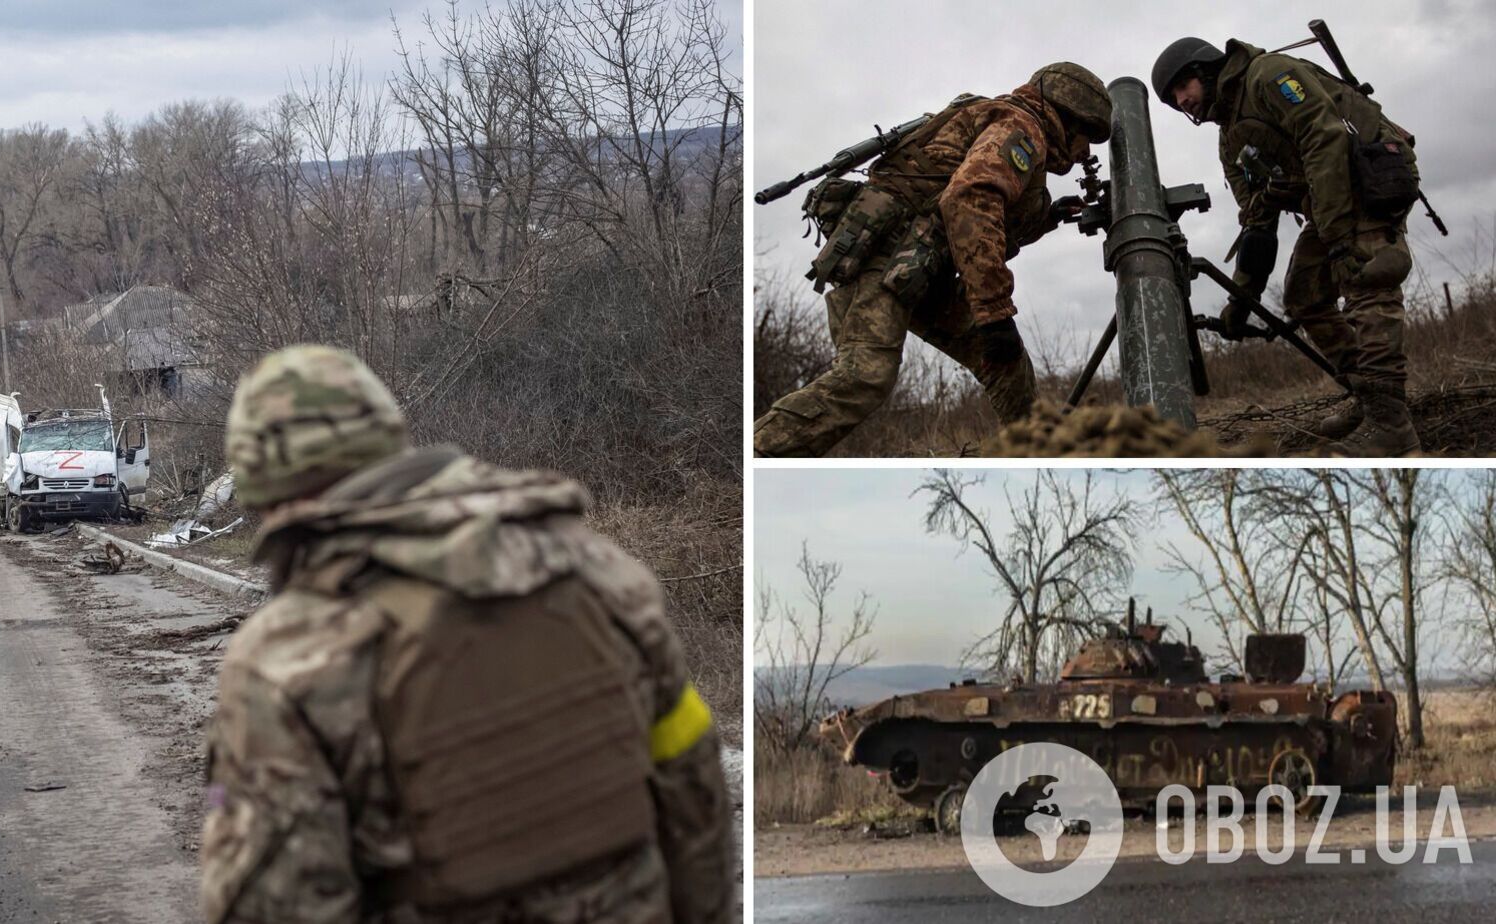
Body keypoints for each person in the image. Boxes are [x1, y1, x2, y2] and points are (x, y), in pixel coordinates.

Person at [200, 344, 735, 923]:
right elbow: (695, 797)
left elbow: (277, 904)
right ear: (389, 441)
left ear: (266, 491)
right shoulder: (600, 573)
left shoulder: (285, 658)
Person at [754, 62, 1112, 457]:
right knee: (865, 376)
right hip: (888, 256)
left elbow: (976, 210)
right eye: (1088, 137)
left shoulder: (1011, 129)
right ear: (1069, 115)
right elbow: (970, 200)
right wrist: (994, 311)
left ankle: (1042, 456)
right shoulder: (1021, 127)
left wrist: (1048, 216)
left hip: (920, 266)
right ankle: (760, 452)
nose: (1085, 152)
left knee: (1007, 365)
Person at [1152, 37, 1423, 455]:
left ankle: (1392, 427)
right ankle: (1371, 400)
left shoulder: (1269, 75)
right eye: (1173, 98)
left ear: (1205, 69)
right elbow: (1257, 220)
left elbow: (1325, 136)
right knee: (1305, 296)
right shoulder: (1230, 142)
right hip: (1330, 204)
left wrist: (1335, 236)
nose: (1182, 100)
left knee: (1366, 277)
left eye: (1183, 86)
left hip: (1368, 180)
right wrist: (1241, 300)